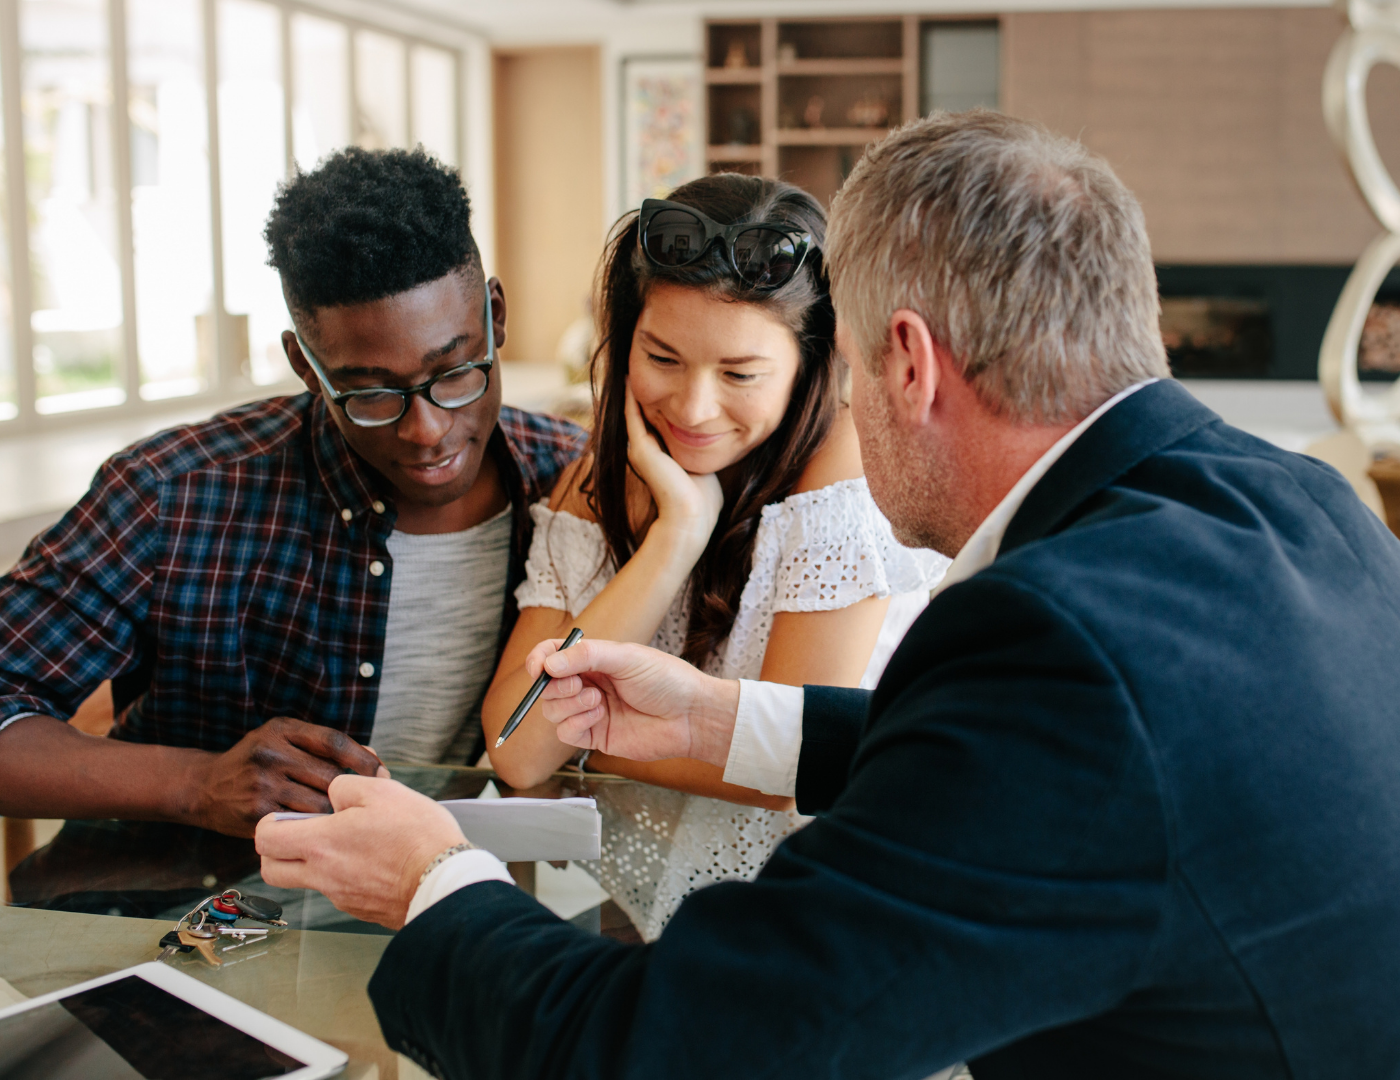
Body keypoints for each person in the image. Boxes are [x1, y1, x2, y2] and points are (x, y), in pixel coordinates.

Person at [256, 111, 1400, 1078]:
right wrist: (719, 718)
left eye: (836, 359)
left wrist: (434, 883)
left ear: (902, 360)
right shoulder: (1295, 501)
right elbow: (1070, 772)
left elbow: (679, 1053)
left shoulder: (1056, 637)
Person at [0, 147, 584, 838]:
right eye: (370, 393)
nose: (428, 430)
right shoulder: (174, 492)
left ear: (494, 316)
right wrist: (193, 783)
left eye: (457, 371)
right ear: (306, 366)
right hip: (169, 908)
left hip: (426, 904)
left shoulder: (573, 487)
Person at [480, 174, 947, 938]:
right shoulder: (595, 480)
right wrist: (674, 539)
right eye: (662, 358)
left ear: (811, 365)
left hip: (822, 918)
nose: (695, 409)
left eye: (740, 374)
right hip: (646, 908)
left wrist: (589, 746)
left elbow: (783, 763)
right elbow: (518, 750)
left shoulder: (845, 479)